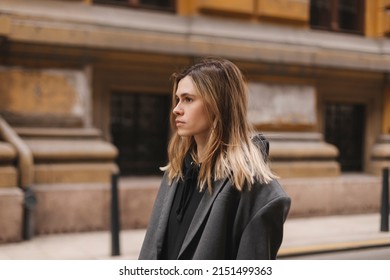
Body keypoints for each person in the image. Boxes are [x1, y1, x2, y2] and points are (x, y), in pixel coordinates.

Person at [138, 57, 291, 260]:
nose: (176, 109)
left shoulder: (254, 189)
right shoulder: (176, 172)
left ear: (217, 105)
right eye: (178, 99)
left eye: (188, 99)